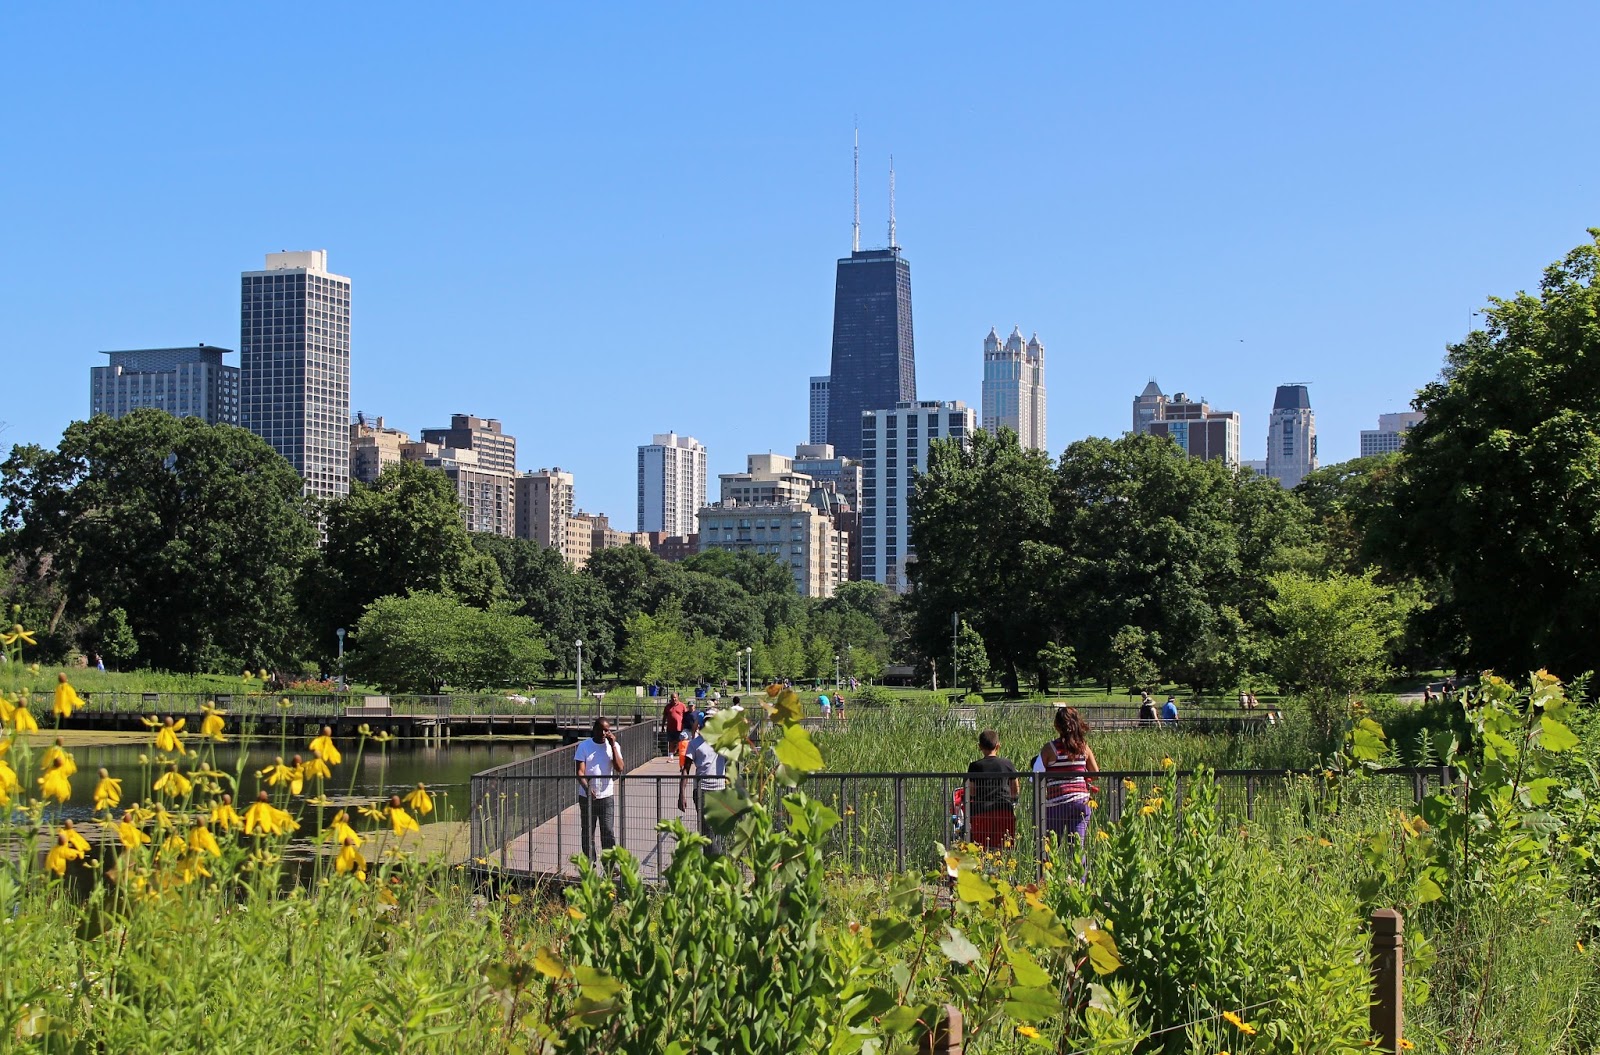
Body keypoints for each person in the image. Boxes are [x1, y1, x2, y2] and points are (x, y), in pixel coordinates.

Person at [1039, 707, 1098, 844]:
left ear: (1057, 726)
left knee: (1051, 846)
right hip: (1081, 801)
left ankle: (1048, 866)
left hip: (1057, 801)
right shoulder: (1083, 747)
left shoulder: (1050, 748)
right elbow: (1095, 773)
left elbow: (1037, 775)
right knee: (1077, 846)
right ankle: (1080, 865)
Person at [678, 710, 730, 855]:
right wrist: (681, 794)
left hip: (720, 790)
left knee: (718, 828)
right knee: (706, 830)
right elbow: (686, 769)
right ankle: (716, 861)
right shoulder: (694, 743)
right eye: (707, 721)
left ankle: (714, 862)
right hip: (702, 791)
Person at [574, 717, 625, 863]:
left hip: (606, 795)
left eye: (607, 730)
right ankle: (590, 862)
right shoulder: (584, 746)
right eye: (602, 729)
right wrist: (587, 787)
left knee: (608, 830)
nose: (604, 733)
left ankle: (610, 864)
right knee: (588, 831)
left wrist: (613, 745)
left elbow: (620, 768)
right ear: (594, 729)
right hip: (587, 796)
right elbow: (579, 772)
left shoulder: (612, 746)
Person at [965, 729, 1020, 849]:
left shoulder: (975, 766)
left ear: (980, 747)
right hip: (1004, 810)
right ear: (998, 746)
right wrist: (1013, 799)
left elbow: (971, 790)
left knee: (981, 848)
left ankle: (982, 867)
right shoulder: (1007, 764)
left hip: (981, 811)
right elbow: (1015, 788)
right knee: (1004, 848)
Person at [661, 693, 689, 767]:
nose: (674, 699)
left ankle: (675, 752)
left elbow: (686, 716)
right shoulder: (667, 706)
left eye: (675, 697)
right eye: (673, 697)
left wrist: (686, 725)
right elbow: (664, 716)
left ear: (678, 697)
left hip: (680, 728)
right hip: (670, 727)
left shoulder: (682, 705)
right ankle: (671, 757)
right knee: (671, 742)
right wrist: (663, 726)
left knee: (681, 742)